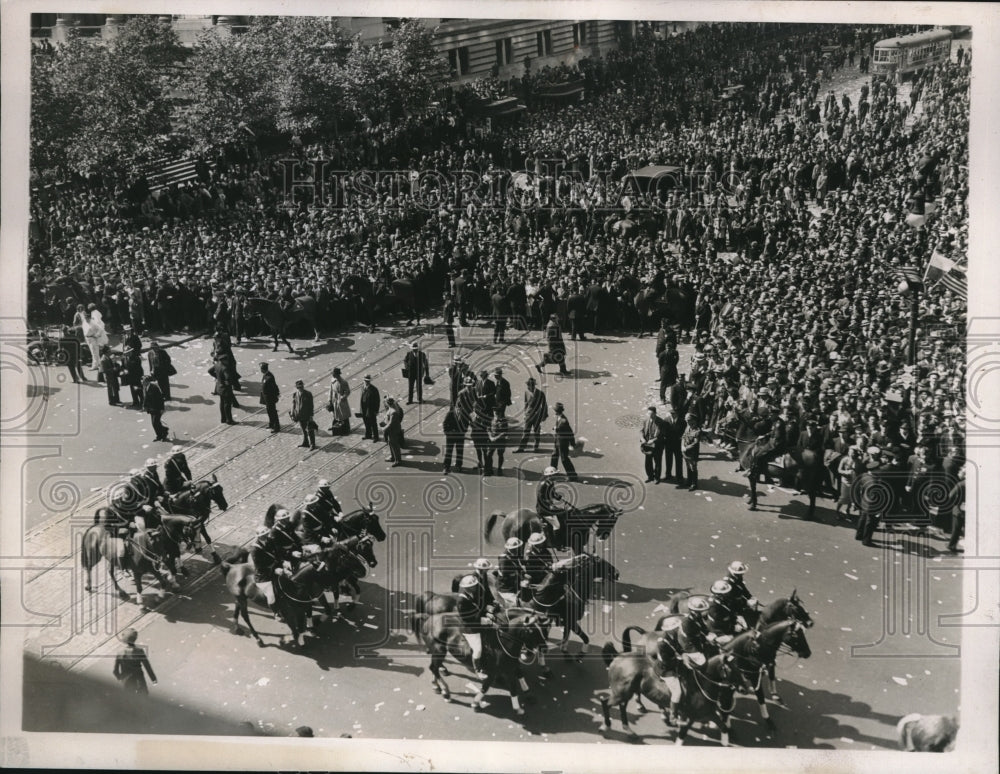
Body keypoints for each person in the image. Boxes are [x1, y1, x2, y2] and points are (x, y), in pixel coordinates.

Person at [456, 574, 492, 679]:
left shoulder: (471, 593)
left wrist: (487, 609)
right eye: (473, 586)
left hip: (477, 620)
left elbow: (477, 607)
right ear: (467, 588)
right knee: (478, 649)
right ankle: (478, 669)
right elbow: (467, 617)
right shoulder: (461, 601)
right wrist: (483, 620)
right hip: (469, 627)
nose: (476, 587)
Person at [113, 628, 157, 694]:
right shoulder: (139, 651)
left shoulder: (120, 653)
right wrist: (153, 679)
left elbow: (115, 671)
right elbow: (147, 666)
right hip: (139, 679)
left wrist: (120, 677)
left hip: (127, 681)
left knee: (129, 699)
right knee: (143, 695)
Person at [536, 466, 572, 539]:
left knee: (564, 512)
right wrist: (549, 506)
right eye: (554, 475)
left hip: (549, 506)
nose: (556, 476)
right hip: (543, 509)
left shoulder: (550, 483)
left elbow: (553, 493)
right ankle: (558, 543)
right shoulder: (543, 485)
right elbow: (540, 498)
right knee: (556, 525)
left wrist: (561, 499)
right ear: (549, 476)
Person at [515, 377, 548, 452]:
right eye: (527, 385)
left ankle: (536, 448)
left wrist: (543, 416)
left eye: (528, 385)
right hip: (528, 416)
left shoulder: (540, 393)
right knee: (525, 433)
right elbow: (526, 403)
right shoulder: (526, 392)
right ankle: (521, 448)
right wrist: (525, 413)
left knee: (536, 433)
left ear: (532, 386)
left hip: (537, 416)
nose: (527, 387)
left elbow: (544, 405)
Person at [550, 402, 578, 479]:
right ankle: (552, 471)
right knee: (554, 455)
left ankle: (573, 476)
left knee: (564, 459)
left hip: (563, 443)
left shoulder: (563, 421)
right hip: (558, 441)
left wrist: (572, 443)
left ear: (557, 411)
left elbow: (570, 433)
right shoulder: (559, 418)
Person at [497, 537, 526, 605]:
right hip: (506, 588)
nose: (518, 549)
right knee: (516, 603)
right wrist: (520, 578)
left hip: (516, 585)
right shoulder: (504, 559)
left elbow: (519, 568)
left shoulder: (514, 555)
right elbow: (505, 576)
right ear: (510, 549)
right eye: (516, 548)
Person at [641, 405, 665, 483]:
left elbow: (662, 435)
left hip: (657, 445)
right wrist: (642, 438)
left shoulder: (660, 422)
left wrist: (654, 440)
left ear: (655, 413)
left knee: (657, 462)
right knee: (648, 462)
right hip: (648, 445)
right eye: (648, 414)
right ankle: (650, 476)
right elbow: (642, 431)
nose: (650, 415)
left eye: (651, 414)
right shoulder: (645, 420)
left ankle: (657, 477)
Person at [291, 379, 317, 450]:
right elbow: (293, 405)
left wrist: (311, 416)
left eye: (302, 387)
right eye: (299, 387)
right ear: (297, 387)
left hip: (307, 415)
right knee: (303, 430)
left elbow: (311, 405)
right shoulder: (295, 394)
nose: (301, 388)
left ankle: (312, 444)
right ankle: (305, 442)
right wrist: (293, 414)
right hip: (299, 415)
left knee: (310, 430)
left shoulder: (308, 394)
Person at [661, 407, 685, 482]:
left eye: (673, 413)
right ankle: (668, 474)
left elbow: (684, 433)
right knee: (668, 460)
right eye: (671, 413)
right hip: (668, 444)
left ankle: (679, 476)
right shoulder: (666, 420)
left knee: (679, 460)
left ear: (677, 414)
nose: (672, 415)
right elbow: (663, 431)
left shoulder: (682, 422)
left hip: (678, 444)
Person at [143, 376, 169, 441]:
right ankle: (159, 435)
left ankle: (164, 433)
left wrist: (162, 408)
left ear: (147, 381)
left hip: (157, 408)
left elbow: (160, 399)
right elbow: (146, 398)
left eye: (144, 381)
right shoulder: (146, 387)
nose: (142, 382)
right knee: (154, 423)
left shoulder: (154, 388)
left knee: (155, 423)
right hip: (151, 408)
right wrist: (144, 406)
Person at [85, 305, 109, 378]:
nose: (86, 320)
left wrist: (96, 335)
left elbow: (100, 329)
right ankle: (97, 364)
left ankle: (95, 365)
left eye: (87, 318)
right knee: (94, 352)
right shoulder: (86, 323)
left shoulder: (93, 323)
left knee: (94, 353)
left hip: (93, 339)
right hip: (88, 339)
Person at [680, 412, 701, 491]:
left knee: (693, 467)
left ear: (693, 420)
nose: (687, 422)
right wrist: (682, 445)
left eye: (688, 420)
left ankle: (694, 484)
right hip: (685, 451)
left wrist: (686, 448)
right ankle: (689, 481)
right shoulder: (688, 427)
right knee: (688, 465)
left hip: (692, 453)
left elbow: (695, 443)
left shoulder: (697, 431)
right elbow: (684, 436)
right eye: (686, 420)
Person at [442, 404, 465, 475]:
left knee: (460, 451)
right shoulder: (450, 413)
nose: (459, 410)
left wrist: (463, 432)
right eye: (458, 408)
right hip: (450, 436)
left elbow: (466, 424)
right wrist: (447, 432)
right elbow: (445, 423)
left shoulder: (464, 415)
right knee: (449, 451)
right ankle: (447, 466)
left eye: (460, 409)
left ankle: (458, 465)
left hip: (460, 435)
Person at [327, 367, 351, 435]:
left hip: (341, 401)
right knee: (336, 416)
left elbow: (347, 391)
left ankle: (346, 430)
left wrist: (343, 397)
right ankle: (336, 430)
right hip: (335, 400)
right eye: (333, 374)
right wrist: (329, 399)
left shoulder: (343, 382)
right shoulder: (333, 381)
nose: (333, 375)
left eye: (334, 374)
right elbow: (331, 391)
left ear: (337, 374)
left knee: (344, 416)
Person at [486, 406, 509, 476]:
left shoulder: (504, 421)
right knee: (489, 454)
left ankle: (499, 469)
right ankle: (490, 469)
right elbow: (488, 429)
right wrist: (490, 437)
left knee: (500, 455)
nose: (496, 414)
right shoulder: (491, 419)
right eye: (495, 413)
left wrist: (495, 438)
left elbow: (504, 432)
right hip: (492, 440)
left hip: (500, 441)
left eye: (497, 413)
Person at [382, 397, 404, 467]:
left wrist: (384, 428)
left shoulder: (393, 412)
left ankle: (398, 460)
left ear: (388, 403)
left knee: (395, 445)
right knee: (391, 443)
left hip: (393, 431)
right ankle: (393, 457)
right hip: (391, 430)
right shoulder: (391, 409)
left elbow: (391, 423)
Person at [358, 374, 381, 442]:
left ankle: (376, 437)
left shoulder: (374, 389)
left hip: (371, 409)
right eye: (365, 381)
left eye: (367, 381)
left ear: (370, 381)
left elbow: (377, 401)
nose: (366, 382)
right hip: (364, 408)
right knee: (366, 422)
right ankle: (368, 435)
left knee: (373, 423)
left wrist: (376, 410)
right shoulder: (362, 387)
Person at [259, 363, 281, 432]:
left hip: (270, 398)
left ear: (263, 369)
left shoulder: (269, 377)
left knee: (273, 412)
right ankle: (271, 424)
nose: (260, 370)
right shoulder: (266, 375)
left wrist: (275, 396)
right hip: (266, 398)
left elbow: (274, 388)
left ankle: (276, 427)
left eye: (261, 369)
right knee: (269, 412)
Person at [215, 358, 237, 425]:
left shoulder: (217, 364)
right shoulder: (225, 368)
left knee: (222, 403)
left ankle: (223, 418)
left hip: (219, 387)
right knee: (227, 404)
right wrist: (228, 383)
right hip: (226, 389)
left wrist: (219, 379)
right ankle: (229, 420)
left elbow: (210, 371)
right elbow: (228, 378)